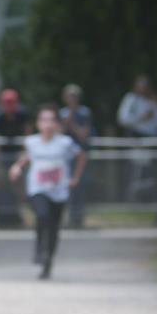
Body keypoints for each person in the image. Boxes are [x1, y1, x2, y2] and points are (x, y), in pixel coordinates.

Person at [8, 104, 86, 280]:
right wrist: (17, 167)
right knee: (42, 216)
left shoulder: (65, 143)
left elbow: (81, 156)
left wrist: (75, 178)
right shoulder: (32, 142)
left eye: (51, 120)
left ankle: (48, 261)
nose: (47, 124)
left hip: (59, 191)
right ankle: (38, 250)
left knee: (54, 227)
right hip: (38, 188)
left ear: (57, 123)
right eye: (44, 120)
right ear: (38, 123)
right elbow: (26, 157)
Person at [0, 88, 29, 228]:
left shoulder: (22, 114)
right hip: (2, 156)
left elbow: (27, 135)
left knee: (19, 184)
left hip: (17, 156)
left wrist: (23, 156)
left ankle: (19, 215)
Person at [59, 83, 93, 229]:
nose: (71, 99)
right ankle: (68, 218)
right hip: (65, 157)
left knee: (79, 186)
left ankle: (79, 218)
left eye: (74, 96)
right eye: (69, 96)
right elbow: (58, 134)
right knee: (65, 187)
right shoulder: (61, 113)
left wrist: (71, 123)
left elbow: (83, 134)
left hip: (80, 156)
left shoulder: (84, 113)